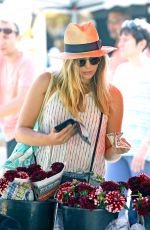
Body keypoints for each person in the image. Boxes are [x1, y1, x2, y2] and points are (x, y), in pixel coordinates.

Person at [14, 21, 130, 230]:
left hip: (86, 190)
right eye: (80, 62)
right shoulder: (46, 82)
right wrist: (49, 139)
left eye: (94, 60)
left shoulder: (113, 95)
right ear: (69, 62)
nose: (88, 67)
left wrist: (119, 150)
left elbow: (110, 151)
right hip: (44, 185)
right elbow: (21, 131)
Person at [105, 19, 150, 225]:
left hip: (144, 152)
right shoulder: (121, 70)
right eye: (120, 39)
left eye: (126, 39)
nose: (120, 43)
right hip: (121, 148)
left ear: (142, 44)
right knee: (112, 197)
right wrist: (116, 143)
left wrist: (143, 150)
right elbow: (112, 108)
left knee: (140, 207)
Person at [0, 16, 36, 158]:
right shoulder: (2, 61)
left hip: (25, 133)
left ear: (18, 37)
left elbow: (22, 101)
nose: (2, 40)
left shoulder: (26, 62)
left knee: (20, 179)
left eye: (6, 35)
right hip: (9, 132)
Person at [107, 7, 131, 78]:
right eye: (109, 22)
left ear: (127, 21)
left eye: (115, 21)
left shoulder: (135, 48)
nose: (110, 26)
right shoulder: (116, 48)